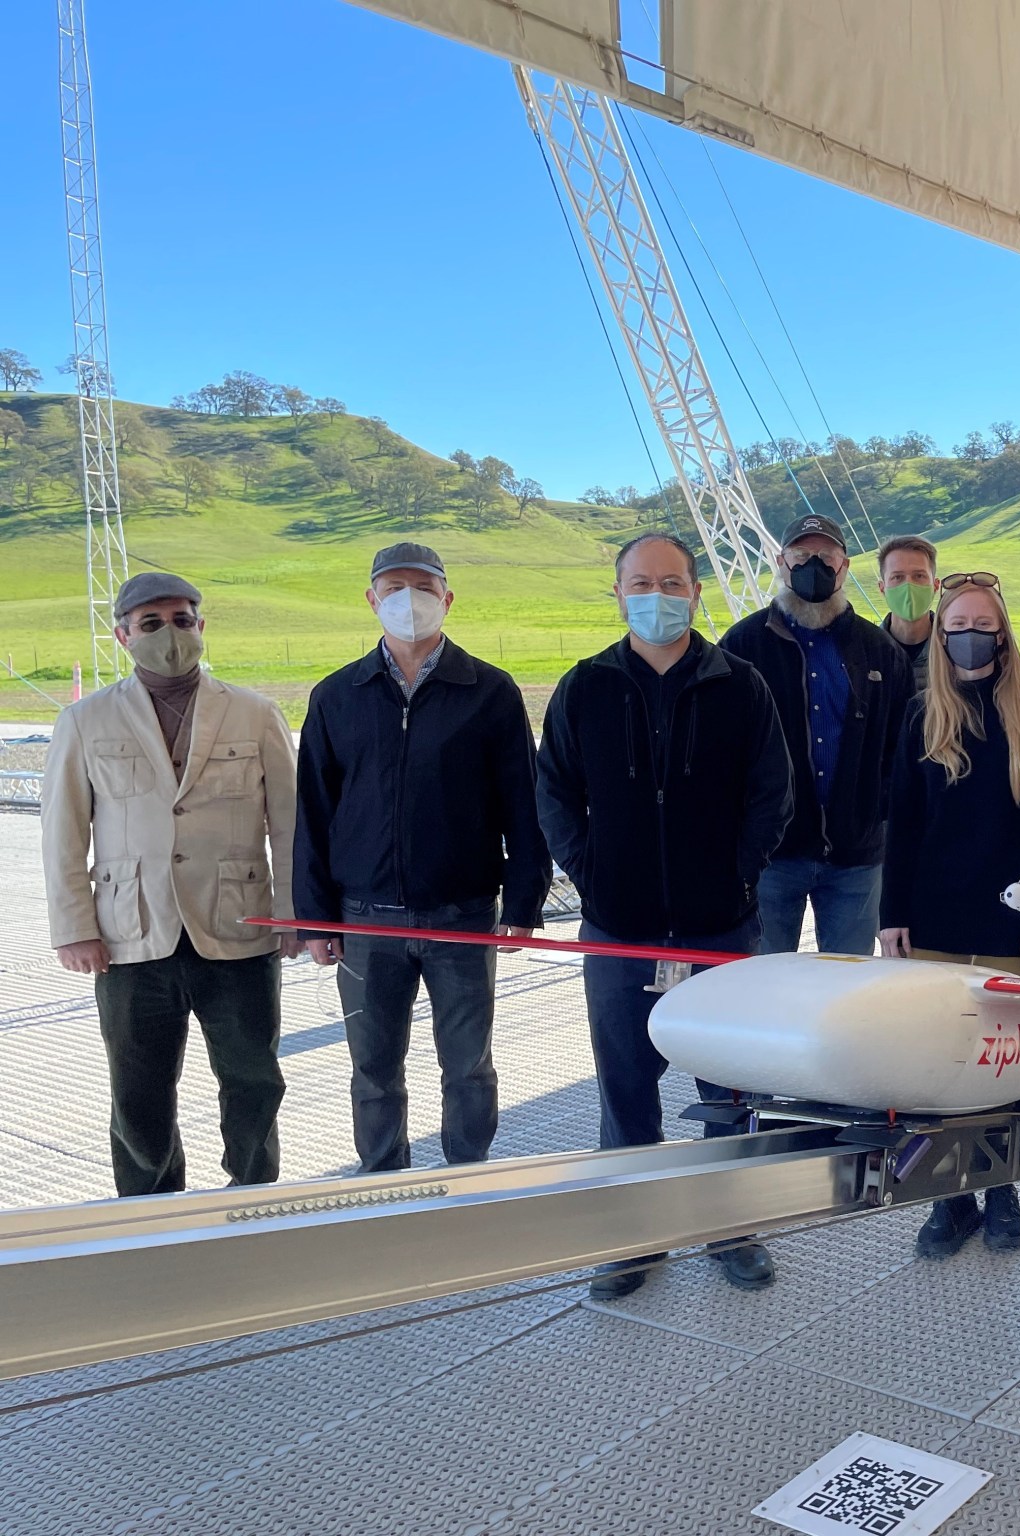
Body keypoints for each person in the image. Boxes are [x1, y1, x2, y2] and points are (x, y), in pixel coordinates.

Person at [537, 532, 793, 1297]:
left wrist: (734, 875)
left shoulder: (740, 686)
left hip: (719, 928)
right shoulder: (584, 689)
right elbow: (554, 795)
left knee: (728, 1088)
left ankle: (729, 1226)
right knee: (626, 1087)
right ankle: (635, 1237)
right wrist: (594, 876)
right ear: (617, 594)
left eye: (672, 582)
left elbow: (770, 797)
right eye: (641, 583)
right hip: (620, 932)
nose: (658, 595)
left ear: (696, 591)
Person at [295, 542, 550, 1174]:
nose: (409, 598)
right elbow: (314, 813)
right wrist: (315, 917)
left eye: (423, 585)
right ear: (372, 599)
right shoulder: (338, 695)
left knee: (466, 1064)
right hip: (364, 919)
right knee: (373, 1067)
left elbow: (525, 803)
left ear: (447, 597)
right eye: (394, 586)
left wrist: (523, 902)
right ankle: (383, 1180)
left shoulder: (489, 691)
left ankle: (466, 1175)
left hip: (461, 914)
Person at [43, 573, 299, 1196]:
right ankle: (149, 1213)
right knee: (138, 1088)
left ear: (201, 626)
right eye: (151, 623)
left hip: (241, 929)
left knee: (255, 1080)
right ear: (124, 634)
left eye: (182, 619)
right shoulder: (84, 720)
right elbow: (63, 831)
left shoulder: (255, 712)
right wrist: (75, 928)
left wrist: (293, 914)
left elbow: (291, 824)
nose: (170, 633)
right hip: (130, 935)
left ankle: (254, 1195)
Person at [879, 571, 1020, 1259]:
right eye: (956, 623)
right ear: (941, 631)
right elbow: (901, 823)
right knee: (936, 1062)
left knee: (996, 1064)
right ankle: (948, 1198)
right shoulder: (921, 712)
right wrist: (891, 911)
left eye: (981, 623)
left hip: (1006, 916)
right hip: (930, 915)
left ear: (1002, 628)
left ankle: (1001, 1192)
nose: (968, 634)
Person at [721, 513, 912, 956]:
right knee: (763, 984)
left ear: (844, 567)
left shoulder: (879, 650)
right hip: (771, 858)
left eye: (826, 557)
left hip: (856, 859)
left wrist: (875, 812)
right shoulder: (741, 647)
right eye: (802, 556)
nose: (814, 567)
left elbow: (898, 750)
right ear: (780, 562)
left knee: (846, 993)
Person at [877, 534, 939, 690]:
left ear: (936, 585)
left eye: (919, 576)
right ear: (882, 588)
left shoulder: (955, 650)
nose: (908, 586)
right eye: (897, 577)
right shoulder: (865, 652)